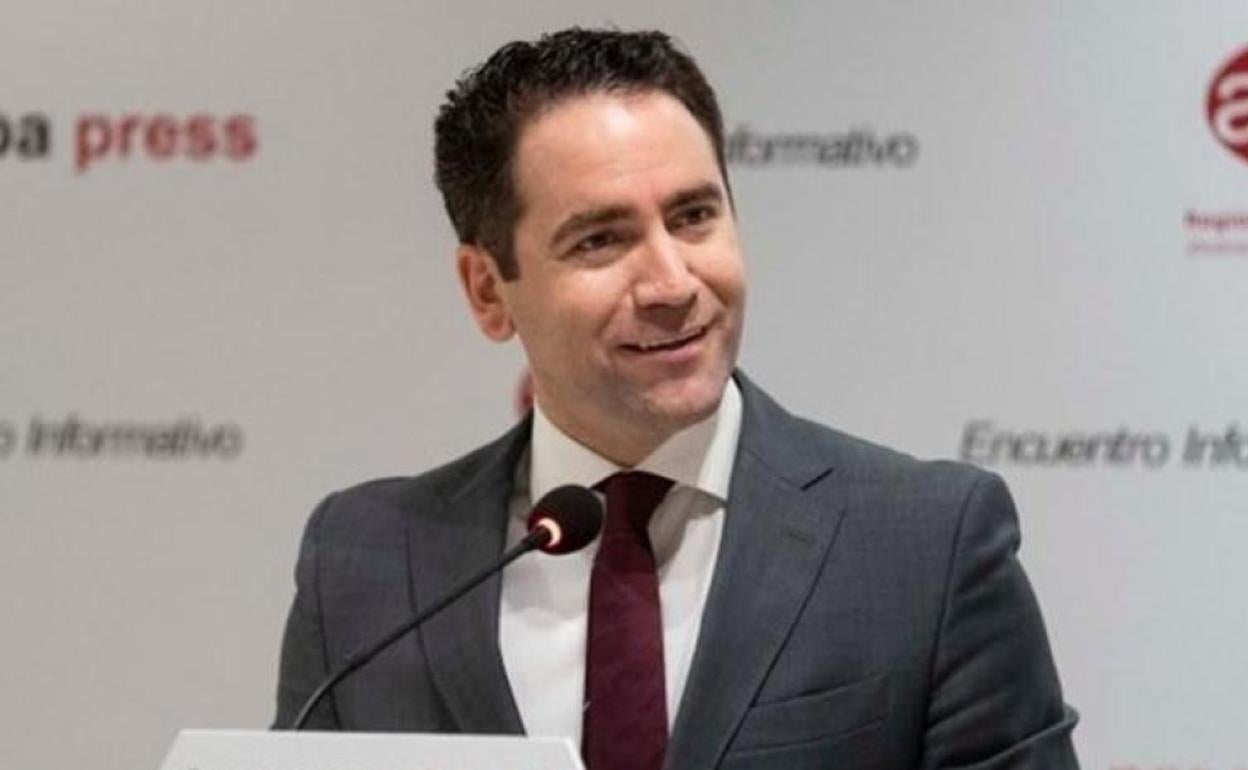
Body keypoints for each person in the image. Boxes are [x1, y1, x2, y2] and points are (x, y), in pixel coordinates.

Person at [274, 27, 1080, 769]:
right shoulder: (366, 567)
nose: (672, 283)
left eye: (694, 217)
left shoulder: (925, 547)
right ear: (488, 290)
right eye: (601, 239)